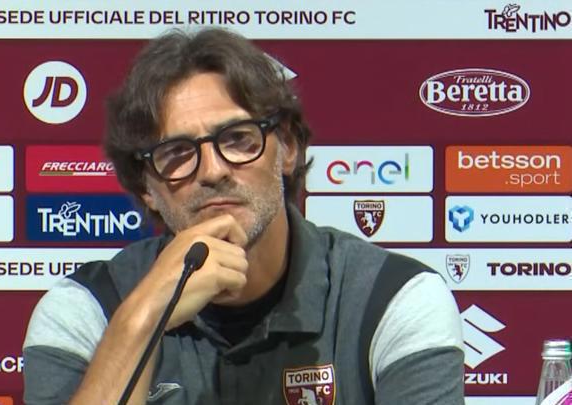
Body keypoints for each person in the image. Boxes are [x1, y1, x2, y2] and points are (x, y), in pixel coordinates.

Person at [23, 28, 464, 404]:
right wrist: (143, 317)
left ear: (287, 148)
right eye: (177, 152)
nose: (213, 170)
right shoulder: (84, 310)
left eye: (237, 138)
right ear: (146, 188)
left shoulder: (393, 300)